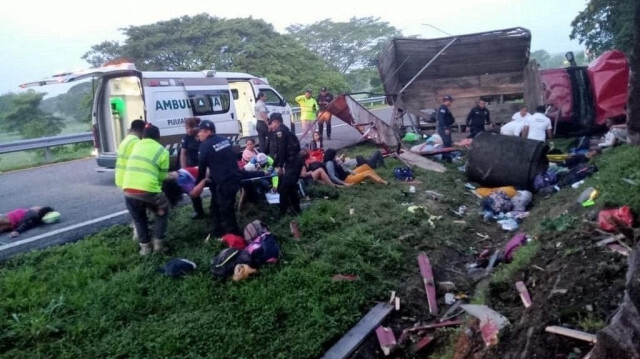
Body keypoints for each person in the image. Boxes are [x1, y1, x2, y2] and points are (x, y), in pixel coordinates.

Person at [122, 124, 170, 255]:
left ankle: (145, 248)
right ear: (158, 137)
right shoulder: (162, 151)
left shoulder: (136, 146)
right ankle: (158, 244)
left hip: (128, 189)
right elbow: (162, 176)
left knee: (139, 218)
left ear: (143, 136)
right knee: (163, 211)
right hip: (148, 190)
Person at [193, 120, 242, 238]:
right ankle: (216, 231)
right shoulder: (225, 140)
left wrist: (198, 183)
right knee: (215, 206)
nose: (199, 134)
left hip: (224, 182)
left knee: (226, 210)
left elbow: (202, 168)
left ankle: (235, 237)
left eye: (200, 131)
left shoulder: (205, 146)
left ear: (208, 131)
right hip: (233, 178)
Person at [268, 112, 303, 216]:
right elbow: (280, 152)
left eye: (271, 123)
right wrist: (273, 166)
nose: (270, 126)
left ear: (276, 122)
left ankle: (282, 215)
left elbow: (282, 151)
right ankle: (297, 210)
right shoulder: (285, 130)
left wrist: (279, 166)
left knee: (283, 190)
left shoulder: (280, 132)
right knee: (291, 187)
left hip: (293, 163)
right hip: (294, 162)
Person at [180, 117, 205, 219]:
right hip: (192, 168)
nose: (188, 130)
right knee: (192, 189)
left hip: (204, 166)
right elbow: (183, 154)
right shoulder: (186, 138)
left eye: (190, 128)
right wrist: (184, 169)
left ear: (196, 127)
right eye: (186, 128)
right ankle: (199, 211)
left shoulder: (203, 136)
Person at [323, 148, 388, 186]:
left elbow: (345, 168)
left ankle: (374, 179)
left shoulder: (334, 161)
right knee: (368, 173)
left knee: (365, 166)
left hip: (349, 174)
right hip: (347, 179)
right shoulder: (329, 163)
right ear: (331, 155)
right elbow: (332, 177)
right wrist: (344, 183)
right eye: (334, 155)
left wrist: (353, 172)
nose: (335, 156)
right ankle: (383, 182)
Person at [115, 119, 146, 189]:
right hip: (130, 181)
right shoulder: (136, 143)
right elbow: (141, 163)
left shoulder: (125, 140)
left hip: (121, 178)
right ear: (142, 131)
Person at [436, 95, 455, 162]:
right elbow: (441, 119)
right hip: (444, 128)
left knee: (448, 142)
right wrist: (445, 128)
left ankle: (447, 157)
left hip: (447, 127)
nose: (451, 103)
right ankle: (446, 158)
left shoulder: (446, 108)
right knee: (446, 142)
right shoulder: (442, 108)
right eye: (450, 101)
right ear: (447, 101)